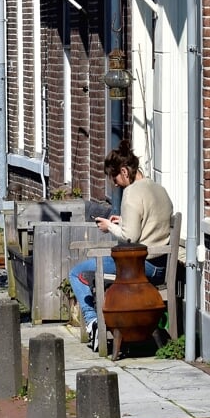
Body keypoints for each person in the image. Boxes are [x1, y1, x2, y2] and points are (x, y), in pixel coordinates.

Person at [68, 150, 173, 350]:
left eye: (114, 177)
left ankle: (93, 323)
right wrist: (124, 221)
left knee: (77, 273)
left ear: (124, 171)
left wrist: (109, 227)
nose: (115, 184)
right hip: (163, 265)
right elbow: (150, 224)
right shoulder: (158, 188)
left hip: (141, 267)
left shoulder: (132, 193)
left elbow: (130, 237)